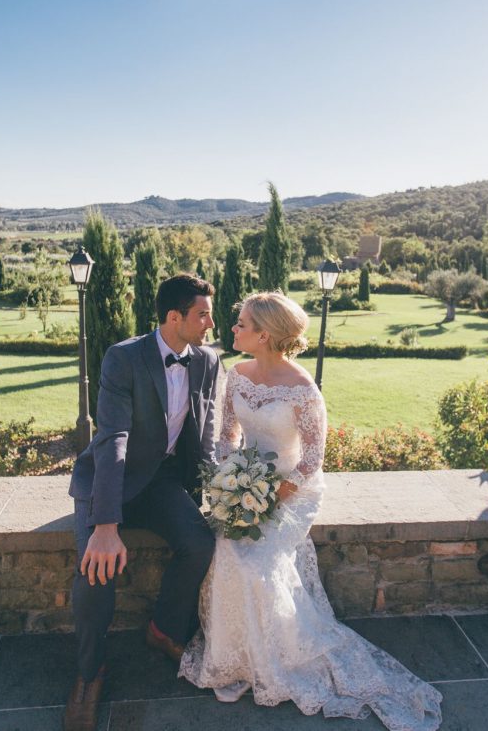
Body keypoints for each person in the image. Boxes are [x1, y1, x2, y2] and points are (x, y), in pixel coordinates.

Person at [179, 291, 443, 731]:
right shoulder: (238, 375)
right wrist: (232, 479)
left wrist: (269, 497)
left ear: (264, 335)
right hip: (244, 487)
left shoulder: (303, 389)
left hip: (291, 492)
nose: (234, 329)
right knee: (225, 554)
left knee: (258, 565)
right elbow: (226, 436)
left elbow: (312, 459)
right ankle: (233, 664)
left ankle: (274, 663)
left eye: (242, 324)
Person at [64, 274, 221, 731]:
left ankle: (164, 630)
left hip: (161, 482)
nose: (212, 322)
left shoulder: (207, 361)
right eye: (203, 314)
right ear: (175, 318)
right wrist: (106, 524)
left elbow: (206, 433)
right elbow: (112, 438)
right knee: (96, 569)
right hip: (107, 482)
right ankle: (89, 674)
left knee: (199, 543)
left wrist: (216, 492)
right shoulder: (123, 358)